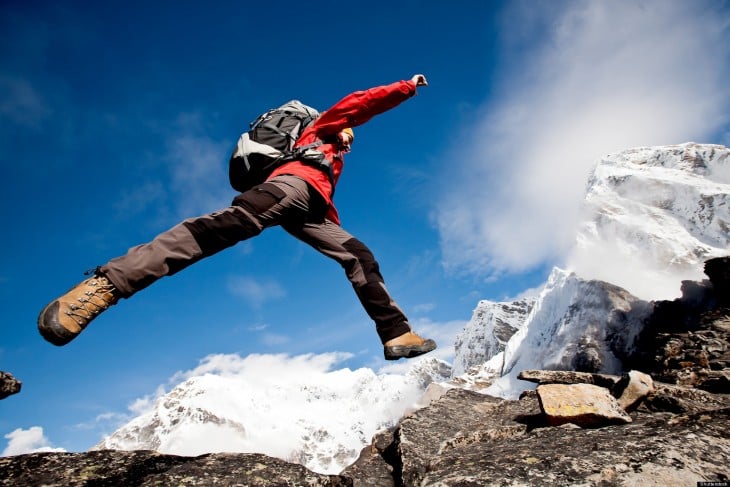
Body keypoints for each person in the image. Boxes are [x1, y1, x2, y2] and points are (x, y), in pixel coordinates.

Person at [38, 74, 437, 361]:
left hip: (313, 210)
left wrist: (329, 213)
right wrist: (405, 87)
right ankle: (105, 286)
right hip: (289, 188)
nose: (351, 137)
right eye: (349, 132)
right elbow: (360, 103)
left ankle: (397, 334)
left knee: (358, 256)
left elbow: (320, 190)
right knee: (222, 228)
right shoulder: (322, 128)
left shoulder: (331, 160)